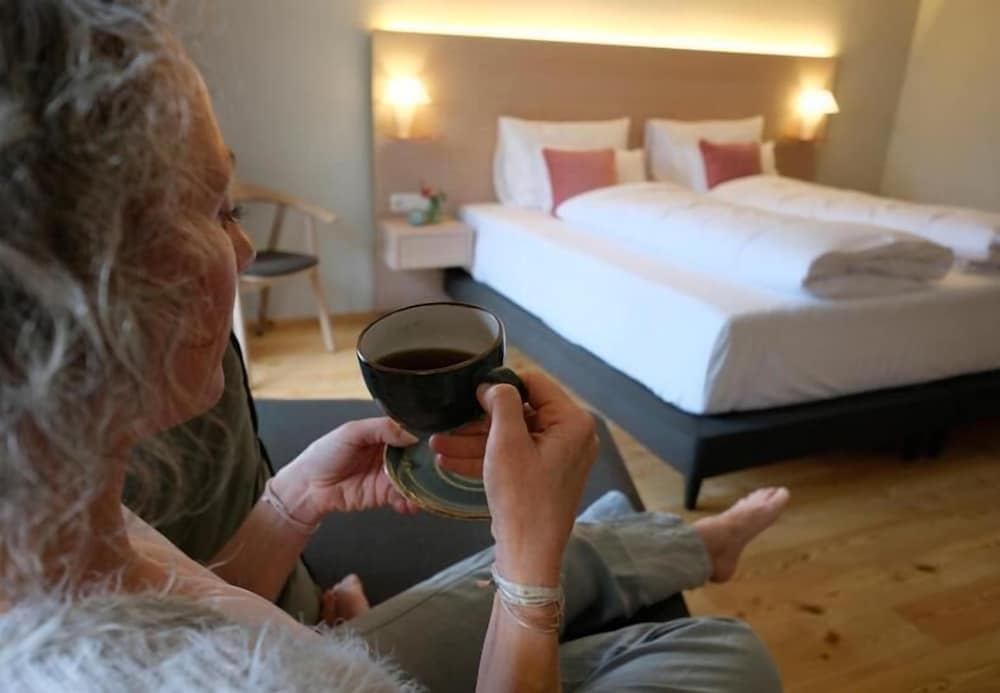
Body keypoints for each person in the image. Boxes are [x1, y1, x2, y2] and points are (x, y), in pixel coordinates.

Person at [0, 1, 787, 690]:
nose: (243, 247)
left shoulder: (46, 512)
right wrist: (526, 568)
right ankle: (644, 547)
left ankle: (697, 542)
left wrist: (292, 500)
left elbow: (176, 609)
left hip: (300, 640)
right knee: (724, 648)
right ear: (89, 284)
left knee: (666, 612)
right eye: (219, 208)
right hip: (308, 656)